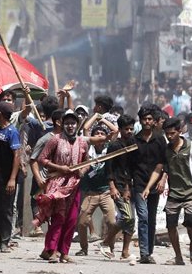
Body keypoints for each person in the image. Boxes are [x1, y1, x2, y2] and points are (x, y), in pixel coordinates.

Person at [34, 110, 105, 263]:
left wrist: (82, 171)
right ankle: (52, 251)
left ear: (77, 125)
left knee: (72, 219)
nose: (70, 126)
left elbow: (86, 162)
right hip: (57, 183)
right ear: (63, 125)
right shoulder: (55, 140)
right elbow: (42, 159)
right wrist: (60, 168)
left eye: (73, 123)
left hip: (74, 184)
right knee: (58, 218)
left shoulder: (82, 142)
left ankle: (64, 252)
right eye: (67, 123)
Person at [143, 117, 192, 265]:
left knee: (190, 223)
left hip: (190, 192)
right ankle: (178, 256)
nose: (169, 136)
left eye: (172, 133)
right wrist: (149, 187)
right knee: (171, 226)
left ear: (179, 131)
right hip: (173, 194)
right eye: (167, 134)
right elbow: (159, 169)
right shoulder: (166, 150)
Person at [129, 105, 167, 264]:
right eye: (144, 118)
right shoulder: (134, 141)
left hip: (155, 184)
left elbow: (165, 162)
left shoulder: (159, 140)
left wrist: (163, 179)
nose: (147, 121)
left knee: (151, 219)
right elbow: (128, 165)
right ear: (140, 120)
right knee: (142, 217)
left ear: (154, 121)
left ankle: (148, 251)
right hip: (138, 183)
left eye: (150, 119)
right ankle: (144, 252)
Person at [99, 114, 136, 260]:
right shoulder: (114, 146)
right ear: (120, 129)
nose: (129, 131)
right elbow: (108, 169)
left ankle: (125, 251)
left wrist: (129, 186)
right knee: (127, 217)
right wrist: (112, 186)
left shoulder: (132, 144)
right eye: (126, 129)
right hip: (118, 186)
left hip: (130, 186)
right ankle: (106, 241)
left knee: (131, 220)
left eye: (131, 129)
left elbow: (131, 168)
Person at [0, 101, 22, 253]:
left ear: (0, 114)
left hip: (7, 178)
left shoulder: (12, 132)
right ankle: (0, 238)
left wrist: (13, 178)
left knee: (6, 209)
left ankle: (5, 241)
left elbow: (16, 156)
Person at [75, 125, 116, 256]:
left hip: (106, 192)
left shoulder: (110, 149)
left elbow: (115, 131)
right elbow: (86, 128)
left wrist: (102, 118)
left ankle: (110, 248)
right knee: (81, 222)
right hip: (90, 193)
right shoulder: (88, 149)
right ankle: (84, 248)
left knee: (112, 222)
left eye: (102, 133)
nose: (99, 135)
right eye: (96, 133)